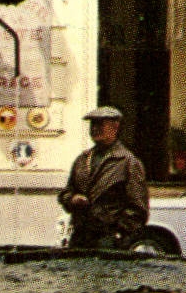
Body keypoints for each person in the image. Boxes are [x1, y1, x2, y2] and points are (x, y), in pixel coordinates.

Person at [58, 106, 150, 250]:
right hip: (80, 238)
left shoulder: (127, 162)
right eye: (92, 124)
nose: (94, 129)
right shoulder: (82, 160)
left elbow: (138, 209)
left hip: (109, 240)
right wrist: (72, 199)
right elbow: (66, 192)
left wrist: (118, 234)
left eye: (100, 124)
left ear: (115, 127)